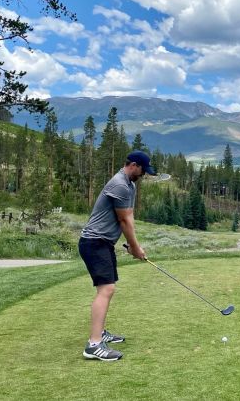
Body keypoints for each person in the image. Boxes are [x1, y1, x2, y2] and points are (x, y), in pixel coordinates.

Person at [79, 150, 155, 361]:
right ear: (133, 165)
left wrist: (132, 245)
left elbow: (128, 218)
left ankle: (100, 332)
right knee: (107, 289)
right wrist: (135, 247)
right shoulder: (120, 184)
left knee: (107, 288)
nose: (143, 175)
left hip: (104, 243)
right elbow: (123, 221)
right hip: (94, 243)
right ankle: (94, 345)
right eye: (142, 171)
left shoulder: (130, 184)